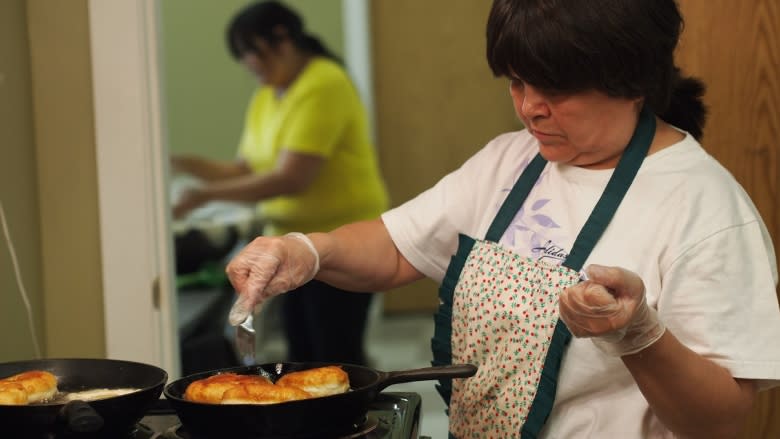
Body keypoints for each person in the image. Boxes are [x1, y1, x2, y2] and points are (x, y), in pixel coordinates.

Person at [224, 0, 780, 437]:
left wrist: (640, 335)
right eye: (516, 82)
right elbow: (397, 247)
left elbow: (720, 421)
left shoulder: (705, 209)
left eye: (555, 89)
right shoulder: (512, 159)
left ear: (632, 80)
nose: (528, 108)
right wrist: (306, 250)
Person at [172, 1, 389, 367]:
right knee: (302, 351)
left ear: (282, 41)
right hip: (293, 242)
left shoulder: (323, 84)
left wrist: (201, 196)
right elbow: (245, 168)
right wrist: (179, 163)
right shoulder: (268, 92)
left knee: (335, 353)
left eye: (250, 53)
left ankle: (351, 421)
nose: (247, 64)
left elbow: (292, 177)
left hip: (341, 240)